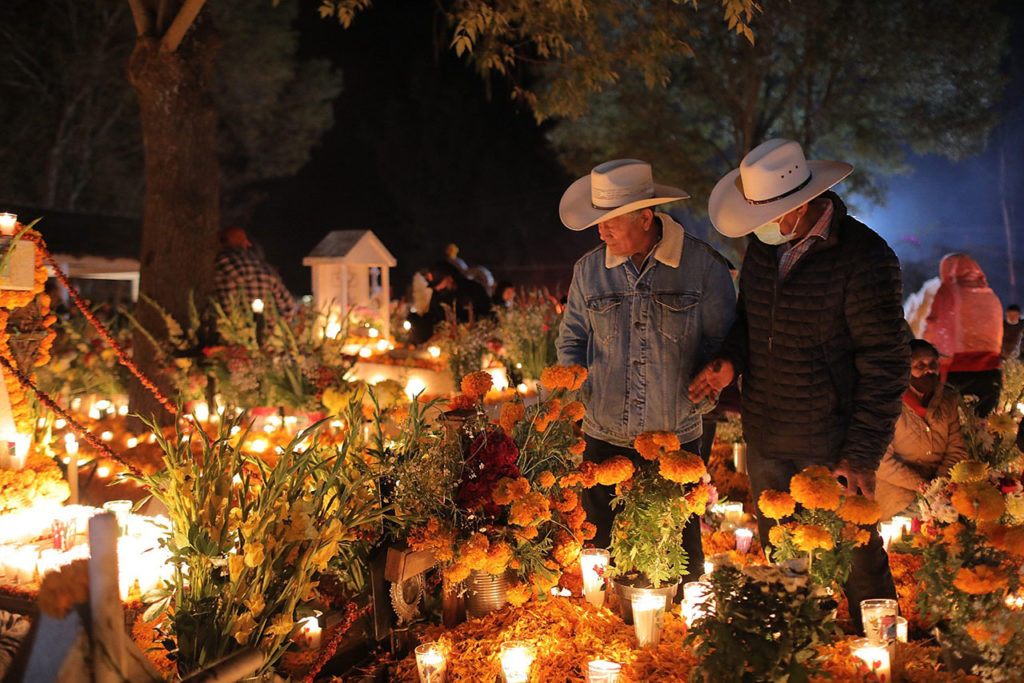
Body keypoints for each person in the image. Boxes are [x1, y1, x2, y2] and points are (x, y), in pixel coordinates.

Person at [689, 138, 910, 632]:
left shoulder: (865, 257)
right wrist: (730, 361)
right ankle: (797, 646)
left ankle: (882, 650)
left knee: (857, 558)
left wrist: (861, 452)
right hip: (768, 431)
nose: (760, 225)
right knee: (782, 561)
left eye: (769, 213)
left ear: (804, 202)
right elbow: (749, 323)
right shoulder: (763, 250)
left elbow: (886, 362)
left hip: (832, 441)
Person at [556, 159, 736, 584]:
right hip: (603, 432)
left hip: (676, 431)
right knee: (602, 548)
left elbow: (724, 341)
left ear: (645, 217)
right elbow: (571, 341)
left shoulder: (704, 266)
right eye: (598, 222)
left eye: (611, 222)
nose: (601, 231)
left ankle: (678, 631)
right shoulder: (588, 270)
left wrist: (715, 377)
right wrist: (569, 401)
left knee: (679, 545)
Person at [876, 339, 967, 520]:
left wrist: (939, 488)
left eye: (933, 364)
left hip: (943, 492)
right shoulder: (888, 404)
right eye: (920, 365)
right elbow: (882, 461)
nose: (929, 370)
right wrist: (924, 487)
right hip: (898, 495)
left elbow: (957, 450)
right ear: (905, 368)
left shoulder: (948, 402)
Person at [922, 253, 1003, 416]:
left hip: (957, 371)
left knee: (954, 428)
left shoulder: (948, 291)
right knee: (983, 430)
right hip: (991, 371)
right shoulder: (991, 296)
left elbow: (933, 325)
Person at [213, 226, 295, 315]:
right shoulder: (265, 268)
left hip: (232, 326)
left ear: (221, 243)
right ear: (246, 244)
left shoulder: (219, 263)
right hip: (266, 327)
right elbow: (288, 306)